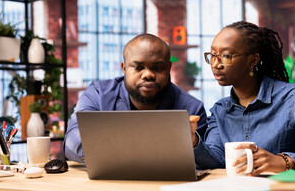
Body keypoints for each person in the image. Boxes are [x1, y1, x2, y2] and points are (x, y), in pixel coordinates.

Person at [190, 21, 295, 175]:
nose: (216, 64)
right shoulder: (220, 110)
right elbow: (216, 161)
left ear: (253, 60)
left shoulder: (294, 98)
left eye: (226, 56)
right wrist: (193, 142)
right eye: (213, 55)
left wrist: (285, 162)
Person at [64, 34, 207, 163]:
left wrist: (106, 149)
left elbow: (203, 161)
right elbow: (72, 140)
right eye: (138, 67)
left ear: (168, 68)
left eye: (157, 67)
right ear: (124, 68)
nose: (148, 74)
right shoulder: (98, 95)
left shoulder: (192, 109)